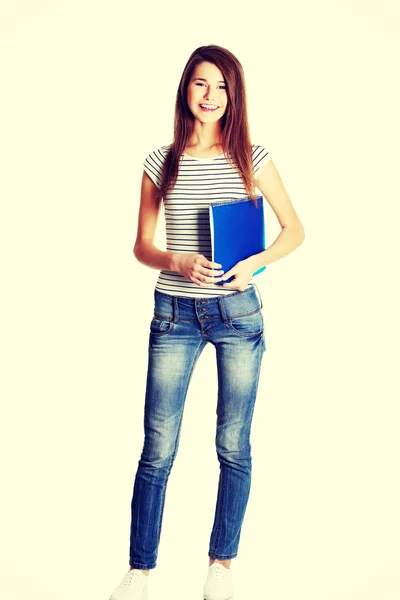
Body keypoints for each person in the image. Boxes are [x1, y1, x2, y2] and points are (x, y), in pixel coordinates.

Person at [109, 44, 305, 600]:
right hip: (174, 314)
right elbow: (142, 246)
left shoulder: (254, 157)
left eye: (221, 87)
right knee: (158, 445)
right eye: (201, 84)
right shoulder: (159, 162)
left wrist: (254, 264)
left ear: (234, 95)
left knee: (232, 443)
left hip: (237, 314)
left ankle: (221, 564)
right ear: (185, 89)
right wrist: (177, 260)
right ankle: (140, 571)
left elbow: (294, 230)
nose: (210, 96)